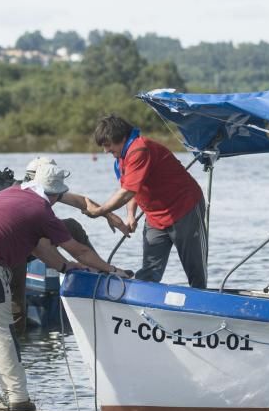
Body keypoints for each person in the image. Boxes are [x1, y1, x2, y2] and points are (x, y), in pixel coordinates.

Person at [0, 162, 129, 411]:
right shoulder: (42, 209)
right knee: (1, 331)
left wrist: (67, 267)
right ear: (54, 195)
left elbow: (39, 248)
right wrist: (111, 270)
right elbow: (80, 249)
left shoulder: (10, 193)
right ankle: (18, 398)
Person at [86, 114, 208, 288]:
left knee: (194, 268)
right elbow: (132, 189)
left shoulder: (139, 150)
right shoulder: (120, 159)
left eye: (107, 145)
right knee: (150, 270)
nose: (105, 151)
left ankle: (201, 303)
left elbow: (127, 192)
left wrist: (100, 211)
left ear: (121, 138)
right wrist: (130, 215)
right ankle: (139, 307)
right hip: (155, 217)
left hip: (184, 208)